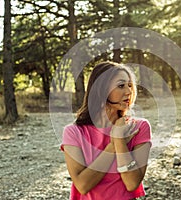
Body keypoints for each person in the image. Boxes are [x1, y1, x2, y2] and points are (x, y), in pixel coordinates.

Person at [61, 61, 152, 200]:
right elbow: (83, 185)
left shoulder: (139, 127)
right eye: (121, 86)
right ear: (101, 90)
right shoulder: (73, 132)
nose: (128, 91)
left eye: (130, 85)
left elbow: (132, 183)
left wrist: (120, 141)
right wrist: (114, 144)